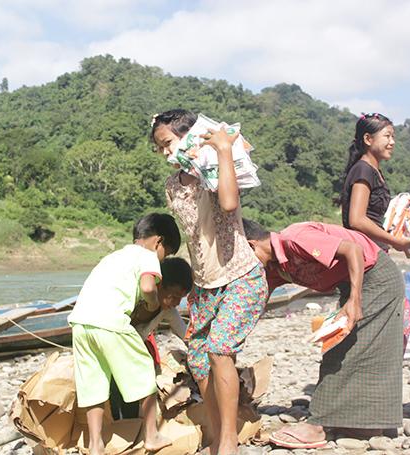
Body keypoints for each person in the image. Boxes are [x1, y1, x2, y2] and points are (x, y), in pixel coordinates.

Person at [152, 109, 268, 455]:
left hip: (240, 277)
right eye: (159, 148)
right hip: (205, 286)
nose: (165, 152)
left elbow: (229, 204)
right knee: (199, 360)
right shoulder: (173, 186)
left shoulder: (215, 170)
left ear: (189, 138)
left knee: (219, 350)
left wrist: (222, 150)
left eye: (168, 143)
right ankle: (218, 434)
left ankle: (229, 443)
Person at [242, 218, 404, 449]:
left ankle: (318, 424)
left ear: (251, 246)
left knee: (341, 351)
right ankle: (366, 424)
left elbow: (353, 250)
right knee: (366, 351)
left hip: (375, 277)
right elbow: (259, 300)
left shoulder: (295, 238)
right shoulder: (274, 266)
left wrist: (354, 300)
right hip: (352, 283)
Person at [67, 213, 181, 455]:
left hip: (80, 322)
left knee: (94, 384)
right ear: (158, 242)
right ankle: (152, 436)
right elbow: (148, 287)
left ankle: (95, 445)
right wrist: (152, 303)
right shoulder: (148, 256)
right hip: (111, 321)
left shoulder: (113, 257)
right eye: (167, 253)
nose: (163, 259)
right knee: (144, 372)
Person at [111, 256, 193, 420]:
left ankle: (130, 424)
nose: (177, 303)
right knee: (114, 389)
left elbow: (185, 334)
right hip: (112, 345)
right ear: (159, 285)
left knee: (131, 391)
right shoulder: (134, 297)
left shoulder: (167, 311)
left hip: (131, 353)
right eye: (174, 296)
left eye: (181, 298)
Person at [341, 113, 410, 254]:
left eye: (393, 137)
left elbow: (374, 220)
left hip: (376, 249)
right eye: (387, 136)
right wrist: (395, 241)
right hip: (365, 250)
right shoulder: (363, 170)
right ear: (368, 139)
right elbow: (357, 220)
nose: (392, 142)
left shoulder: (375, 172)